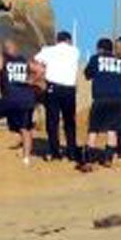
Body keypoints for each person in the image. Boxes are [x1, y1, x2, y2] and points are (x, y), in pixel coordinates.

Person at [0, 38, 39, 163]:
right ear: (16, 48)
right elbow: (40, 70)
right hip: (28, 99)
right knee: (25, 128)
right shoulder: (24, 59)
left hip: (11, 99)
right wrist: (31, 81)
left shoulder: (1, 58)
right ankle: (26, 158)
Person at [33, 30, 81, 163]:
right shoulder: (75, 51)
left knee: (52, 121)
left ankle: (55, 152)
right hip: (69, 89)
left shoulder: (48, 50)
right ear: (68, 41)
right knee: (69, 121)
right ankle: (71, 152)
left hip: (53, 88)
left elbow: (36, 60)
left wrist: (41, 72)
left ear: (57, 40)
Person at [82, 37, 121, 170]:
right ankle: (108, 159)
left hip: (100, 98)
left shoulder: (96, 59)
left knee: (93, 129)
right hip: (117, 99)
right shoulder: (119, 61)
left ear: (100, 49)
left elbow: (87, 74)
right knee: (112, 130)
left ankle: (88, 161)